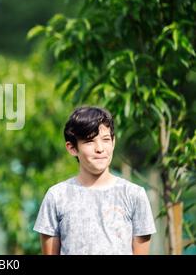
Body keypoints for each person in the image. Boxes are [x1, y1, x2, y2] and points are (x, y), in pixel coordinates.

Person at [34, 106, 156, 255]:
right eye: (89, 141)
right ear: (72, 148)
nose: (100, 148)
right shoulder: (57, 196)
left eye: (105, 140)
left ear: (113, 142)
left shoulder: (134, 195)